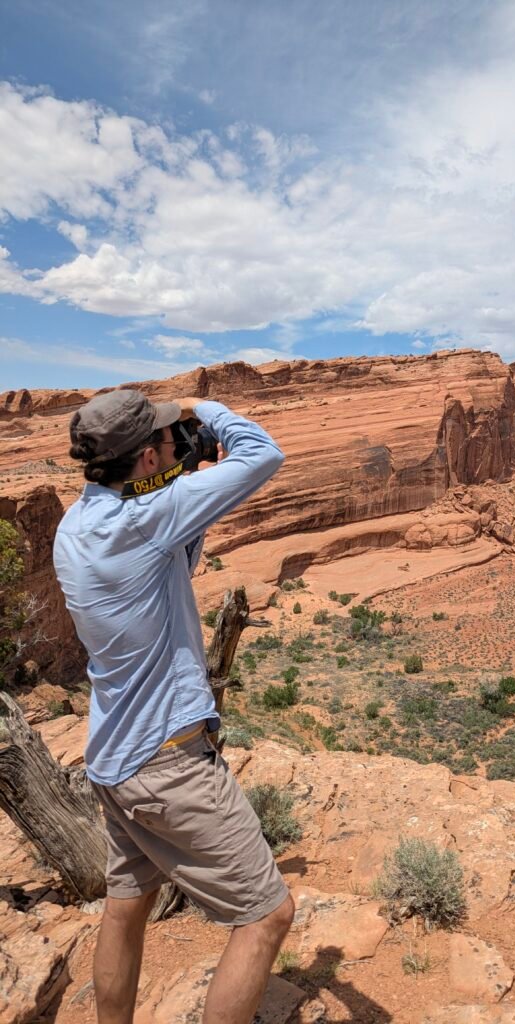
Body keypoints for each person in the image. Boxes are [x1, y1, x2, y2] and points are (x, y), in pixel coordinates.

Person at [53, 389, 294, 1024]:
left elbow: (173, 560)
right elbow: (264, 453)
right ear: (143, 457)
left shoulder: (78, 524)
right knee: (267, 915)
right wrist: (203, 407)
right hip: (168, 765)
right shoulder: (144, 518)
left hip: (113, 759)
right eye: (164, 438)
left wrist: (181, 478)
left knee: (127, 903)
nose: (174, 442)